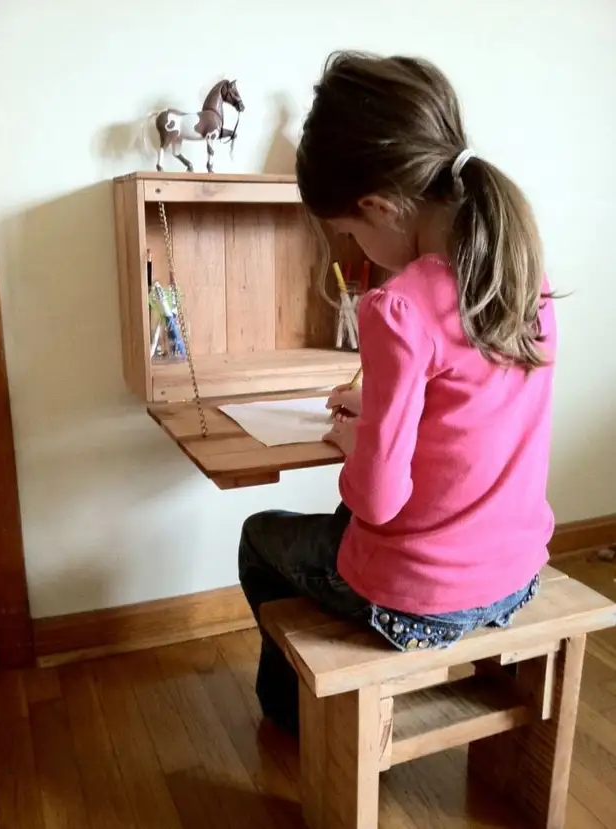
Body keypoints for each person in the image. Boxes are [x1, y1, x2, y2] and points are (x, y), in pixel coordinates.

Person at [238, 51, 556, 737]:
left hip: (424, 602)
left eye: (350, 232)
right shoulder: (522, 274)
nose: (356, 247)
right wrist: (381, 414)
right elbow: (476, 420)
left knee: (259, 538)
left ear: (380, 206)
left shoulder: (398, 307)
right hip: (517, 573)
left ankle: (290, 725)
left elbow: (378, 499)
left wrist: (354, 444)